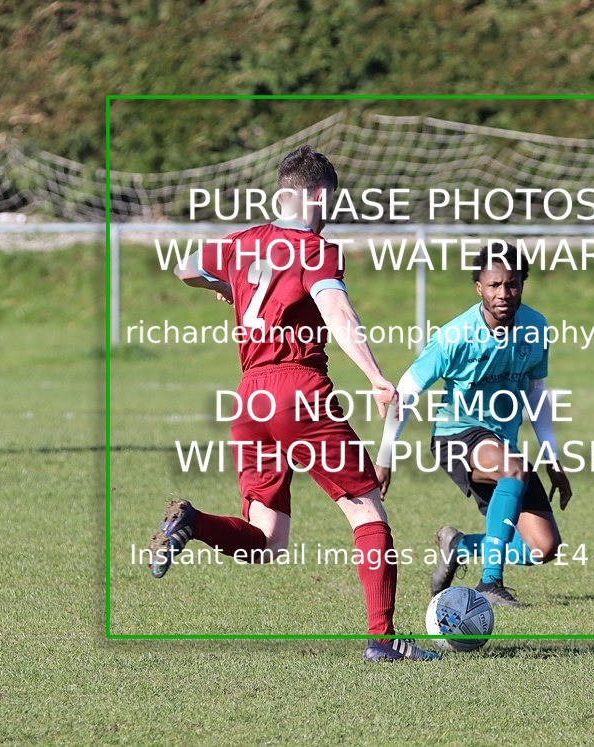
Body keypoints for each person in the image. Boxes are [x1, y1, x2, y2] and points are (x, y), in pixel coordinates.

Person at [148, 145, 438, 662]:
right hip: (299, 390)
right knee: (366, 510)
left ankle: (193, 521)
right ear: (320, 195)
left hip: (250, 397)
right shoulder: (315, 250)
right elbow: (339, 313)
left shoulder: (241, 242)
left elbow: (184, 269)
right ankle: (383, 641)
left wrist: (226, 286)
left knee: (267, 541)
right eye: (332, 202)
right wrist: (376, 376)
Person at [375, 243, 572, 607]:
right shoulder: (455, 336)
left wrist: (552, 457)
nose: (503, 293)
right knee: (513, 469)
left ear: (522, 284)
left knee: (543, 547)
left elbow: (536, 393)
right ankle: (490, 583)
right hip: (457, 435)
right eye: (494, 285)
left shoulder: (536, 327)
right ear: (479, 287)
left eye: (512, 284)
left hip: (502, 444)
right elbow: (406, 392)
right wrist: (385, 458)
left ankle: (460, 546)